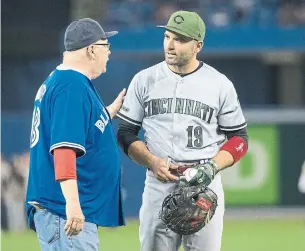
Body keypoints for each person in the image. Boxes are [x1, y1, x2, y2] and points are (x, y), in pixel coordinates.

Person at [117, 10, 248, 251]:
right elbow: (125, 133)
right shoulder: (144, 80)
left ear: (198, 45)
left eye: (179, 39)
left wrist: (212, 167)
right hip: (159, 182)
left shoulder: (219, 84)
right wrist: (152, 161)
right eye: (167, 37)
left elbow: (239, 139)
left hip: (204, 186)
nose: (170, 45)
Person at [26, 18, 126, 251]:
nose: (108, 52)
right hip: (64, 212)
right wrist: (72, 204)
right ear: (91, 49)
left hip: (59, 212)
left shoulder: (61, 79)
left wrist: (109, 112)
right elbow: (63, 148)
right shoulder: (72, 86)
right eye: (105, 46)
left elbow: (79, 129)